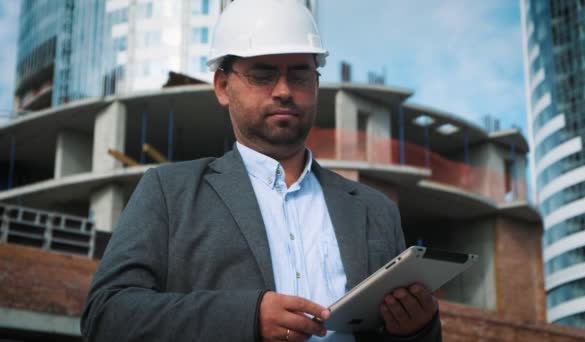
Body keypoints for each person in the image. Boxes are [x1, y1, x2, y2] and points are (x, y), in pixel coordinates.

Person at [81, 0, 442, 341]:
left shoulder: (375, 209)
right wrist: (247, 318)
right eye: (263, 75)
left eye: (299, 75)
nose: (284, 91)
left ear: (316, 86)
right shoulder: (168, 192)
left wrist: (416, 329)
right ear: (223, 86)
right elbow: (106, 315)